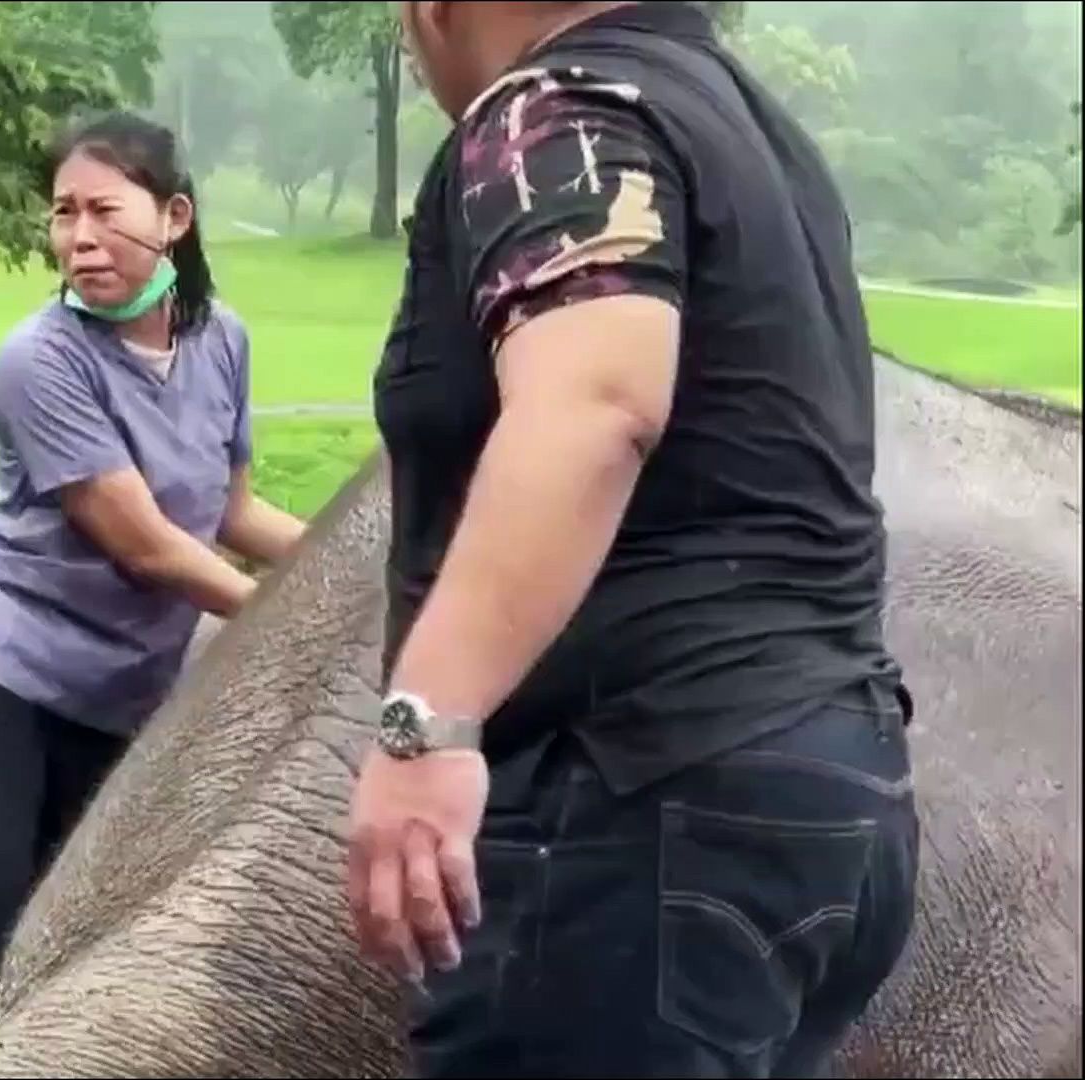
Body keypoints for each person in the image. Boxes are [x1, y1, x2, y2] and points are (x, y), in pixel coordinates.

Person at [347, 2, 920, 1076]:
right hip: (829, 791)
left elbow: (597, 404)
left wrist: (426, 725)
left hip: (632, 803)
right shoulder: (752, 130)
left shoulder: (555, 110)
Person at [0, 111, 307, 1079]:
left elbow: (233, 511)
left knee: (65, 946)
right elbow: (149, 547)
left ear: (174, 219)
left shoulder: (222, 341)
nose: (80, 237)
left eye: (105, 211)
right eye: (64, 213)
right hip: (1, 686)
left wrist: (362, 567)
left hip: (119, 705)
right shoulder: (40, 361)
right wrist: (294, 616)